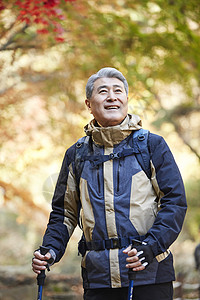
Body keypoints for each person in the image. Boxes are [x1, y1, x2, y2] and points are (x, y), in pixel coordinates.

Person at [32, 67, 187, 300]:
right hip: (98, 279)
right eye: (103, 91)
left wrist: (151, 246)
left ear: (126, 99)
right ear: (89, 104)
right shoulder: (76, 154)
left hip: (149, 274)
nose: (112, 96)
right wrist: (50, 249)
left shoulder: (152, 145)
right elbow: (64, 214)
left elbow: (174, 202)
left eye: (118, 91)